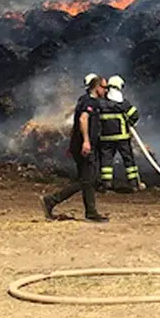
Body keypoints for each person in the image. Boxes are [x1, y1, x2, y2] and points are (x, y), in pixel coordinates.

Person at [41, 74, 109, 222]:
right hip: (86, 146)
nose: (106, 90)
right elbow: (83, 119)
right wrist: (86, 141)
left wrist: (73, 143)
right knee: (86, 180)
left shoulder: (82, 100)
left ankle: (91, 212)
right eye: (105, 87)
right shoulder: (90, 102)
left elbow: (76, 124)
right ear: (97, 87)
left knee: (88, 178)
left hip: (80, 145)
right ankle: (51, 200)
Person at [97, 74, 143, 191]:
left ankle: (106, 184)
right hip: (122, 137)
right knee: (128, 160)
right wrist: (130, 122)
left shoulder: (100, 103)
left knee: (106, 161)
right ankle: (134, 184)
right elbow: (135, 115)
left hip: (105, 138)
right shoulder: (123, 103)